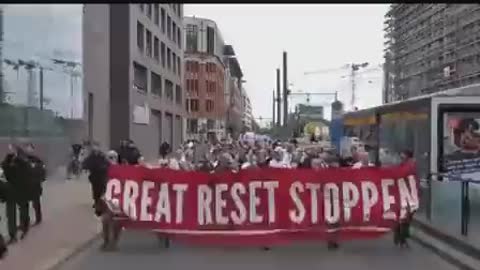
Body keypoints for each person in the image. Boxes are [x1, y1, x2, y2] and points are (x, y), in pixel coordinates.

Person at [2, 144, 31, 242]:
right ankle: (17, 231)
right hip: (15, 191)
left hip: (16, 191)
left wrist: (15, 157)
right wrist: (12, 157)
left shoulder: (18, 163)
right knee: (15, 212)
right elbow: (4, 166)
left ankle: (18, 231)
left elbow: (26, 168)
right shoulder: (14, 163)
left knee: (16, 212)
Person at [82, 142, 110, 214]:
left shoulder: (102, 156)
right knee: (95, 190)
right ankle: (96, 202)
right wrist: (85, 167)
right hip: (94, 175)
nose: (96, 148)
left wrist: (105, 168)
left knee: (102, 189)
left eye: (97, 146)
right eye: (94, 146)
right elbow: (85, 163)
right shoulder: (91, 156)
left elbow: (108, 163)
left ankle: (101, 203)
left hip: (102, 175)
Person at [25, 143, 46, 225]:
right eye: (27, 148)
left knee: (36, 203)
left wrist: (40, 179)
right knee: (24, 204)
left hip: (35, 185)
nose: (28, 150)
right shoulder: (23, 160)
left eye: (30, 148)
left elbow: (43, 172)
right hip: (26, 185)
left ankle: (38, 218)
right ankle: (25, 220)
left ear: (33, 149)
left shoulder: (38, 160)